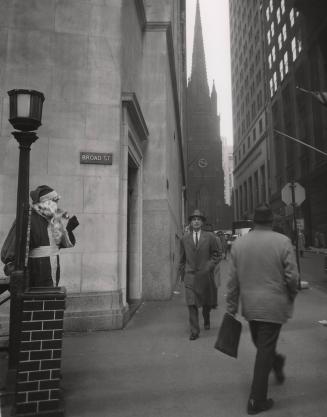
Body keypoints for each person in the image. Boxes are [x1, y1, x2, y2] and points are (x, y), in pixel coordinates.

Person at [226, 204, 298, 415]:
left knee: (261, 344)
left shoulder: (239, 245)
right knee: (263, 346)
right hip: (275, 304)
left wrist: (231, 307)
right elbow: (292, 277)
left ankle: (256, 398)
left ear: (253, 222)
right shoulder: (282, 241)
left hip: (251, 306)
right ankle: (274, 364)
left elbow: (232, 281)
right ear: (272, 222)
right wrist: (291, 294)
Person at [1, 185, 79, 287]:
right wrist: (14, 268)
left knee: (51, 294)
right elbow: (11, 248)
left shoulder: (54, 219)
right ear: (44, 203)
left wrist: (68, 229)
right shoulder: (28, 218)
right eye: (54, 201)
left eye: (56, 202)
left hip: (54, 265)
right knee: (38, 298)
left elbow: (61, 243)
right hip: (36, 269)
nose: (56, 205)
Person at [179, 209, 220, 340]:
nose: (196, 221)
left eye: (198, 219)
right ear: (190, 223)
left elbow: (217, 254)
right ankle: (194, 331)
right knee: (191, 304)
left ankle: (206, 319)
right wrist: (182, 273)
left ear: (202, 223)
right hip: (190, 275)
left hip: (205, 275)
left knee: (206, 303)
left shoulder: (210, 237)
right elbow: (182, 258)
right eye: (193, 219)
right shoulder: (184, 239)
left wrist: (209, 266)